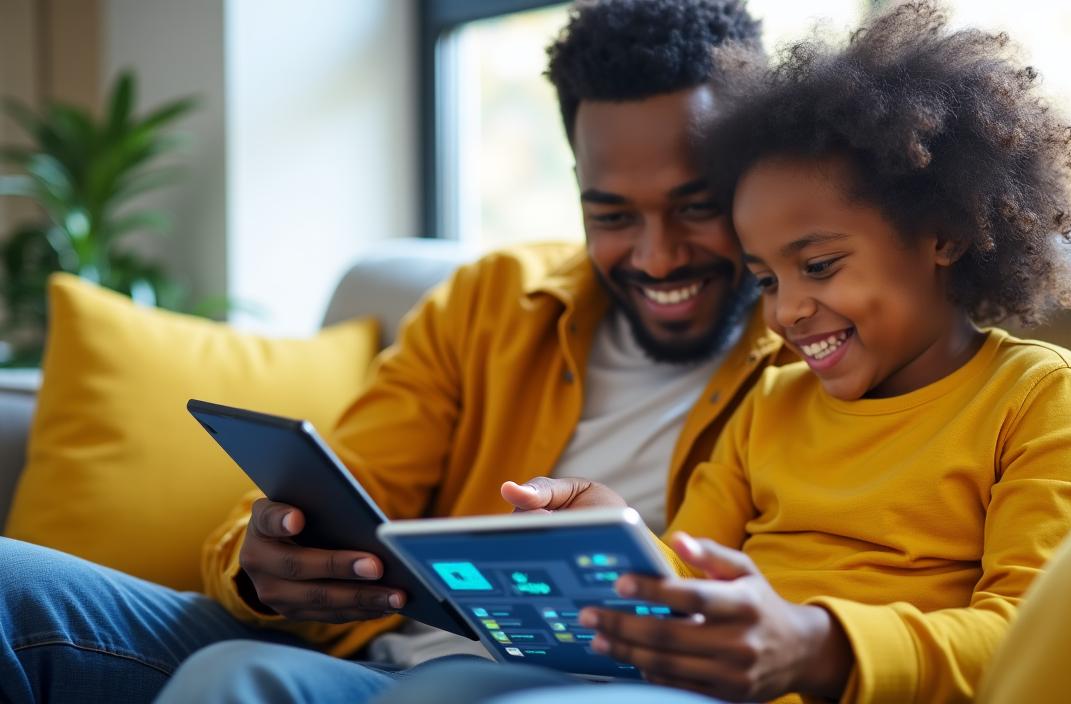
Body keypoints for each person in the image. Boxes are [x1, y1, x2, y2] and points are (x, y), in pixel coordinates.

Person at [0, 2, 786, 703]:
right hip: (363, 659)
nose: (655, 257)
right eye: (612, 215)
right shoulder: (493, 300)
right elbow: (351, 483)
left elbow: (814, 626)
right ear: (579, 187)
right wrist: (266, 564)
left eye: (696, 207)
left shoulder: (820, 349)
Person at [350, 2, 1071, 702]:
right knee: (445, 683)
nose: (785, 311)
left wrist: (820, 648)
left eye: (818, 267)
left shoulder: (1037, 400)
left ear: (945, 234)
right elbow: (687, 578)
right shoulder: (773, 405)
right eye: (764, 277)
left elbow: (1039, 637)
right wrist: (620, 534)